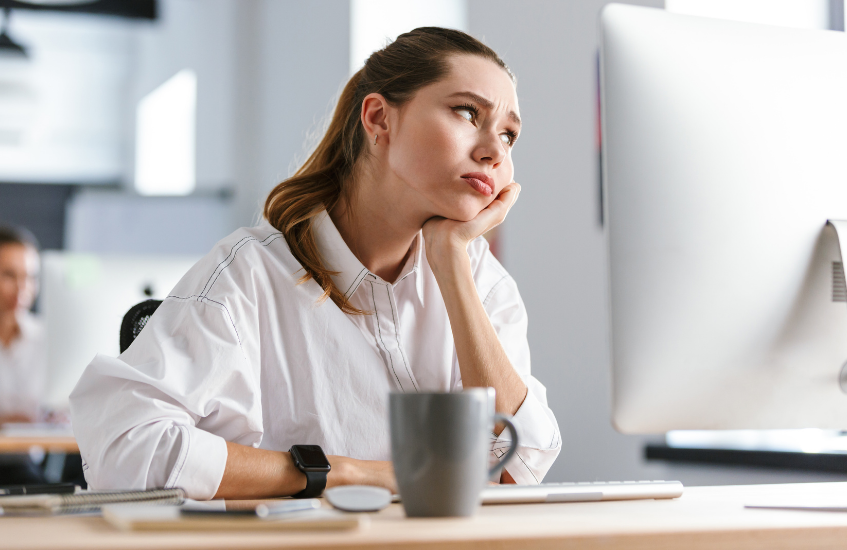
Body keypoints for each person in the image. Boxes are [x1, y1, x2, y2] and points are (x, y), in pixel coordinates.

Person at [70, 27, 561, 500]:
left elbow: (520, 469)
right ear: (378, 119)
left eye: (510, 135)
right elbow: (124, 449)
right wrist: (342, 473)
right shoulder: (248, 276)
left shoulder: (479, 280)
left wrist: (452, 267)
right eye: (467, 112)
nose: (495, 151)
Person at [0, 226, 45, 425]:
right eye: (9, 275)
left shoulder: (47, 337)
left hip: (39, 452)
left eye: (29, 277)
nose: (21, 288)